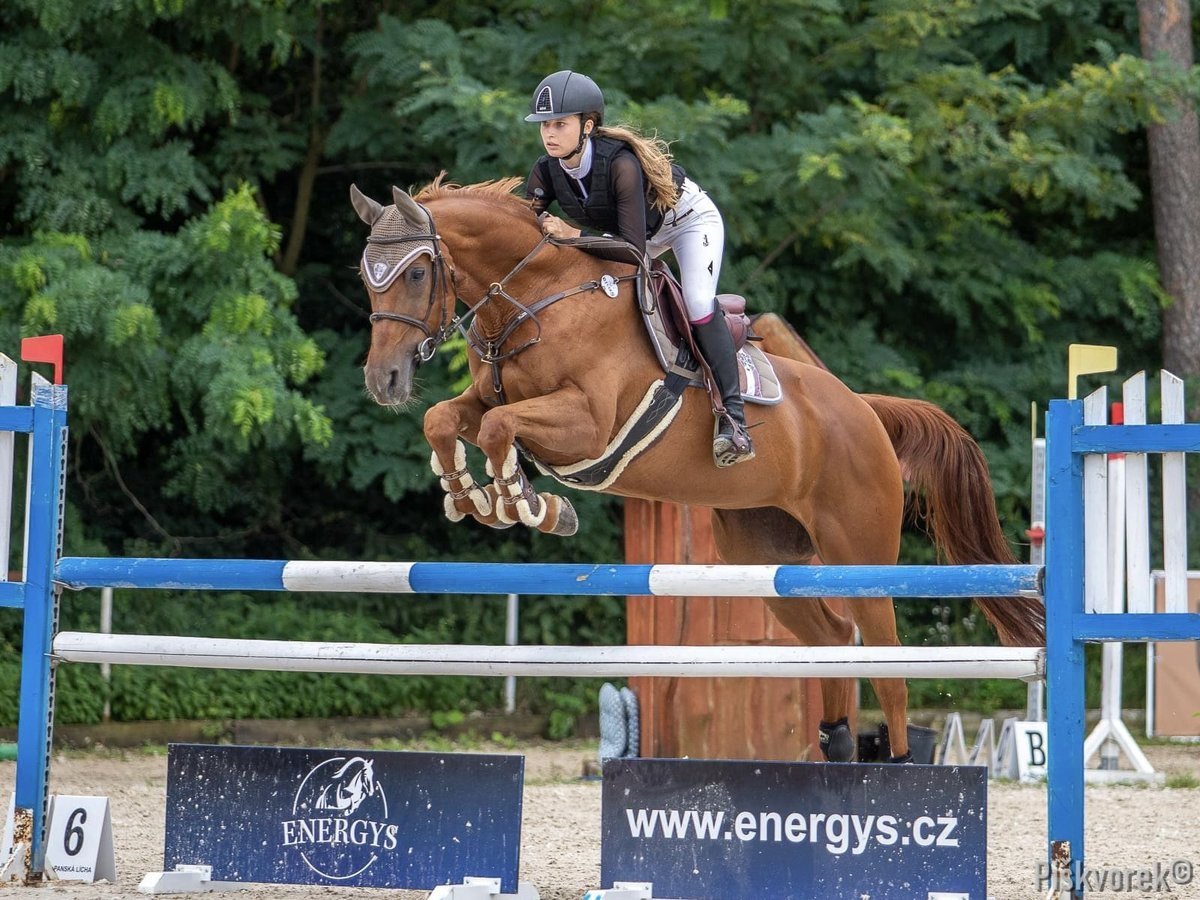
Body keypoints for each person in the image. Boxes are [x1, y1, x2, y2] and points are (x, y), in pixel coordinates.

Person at [523, 70, 754, 468]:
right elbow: (524, 233)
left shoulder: (621, 165)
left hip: (686, 223)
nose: (550, 133)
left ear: (588, 125)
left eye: (560, 123)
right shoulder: (546, 171)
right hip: (636, 235)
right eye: (545, 124)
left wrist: (573, 233)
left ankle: (735, 421)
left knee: (698, 301)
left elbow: (633, 251)